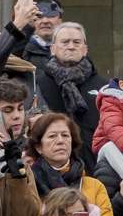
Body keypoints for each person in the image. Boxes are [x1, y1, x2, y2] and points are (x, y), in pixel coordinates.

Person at [27, 112, 116, 216]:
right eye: (52, 136)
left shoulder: (94, 186)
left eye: (65, 135)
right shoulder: (28, 186)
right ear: (38, 147)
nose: (60, 141)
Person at [34, 21, 102, 162]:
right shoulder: (37, 84)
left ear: (85, 49)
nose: (71, 47)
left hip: (95, 163)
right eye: (65, 42)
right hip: (51, 166)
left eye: (76, 42)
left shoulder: (103, 86)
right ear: (53, 49)